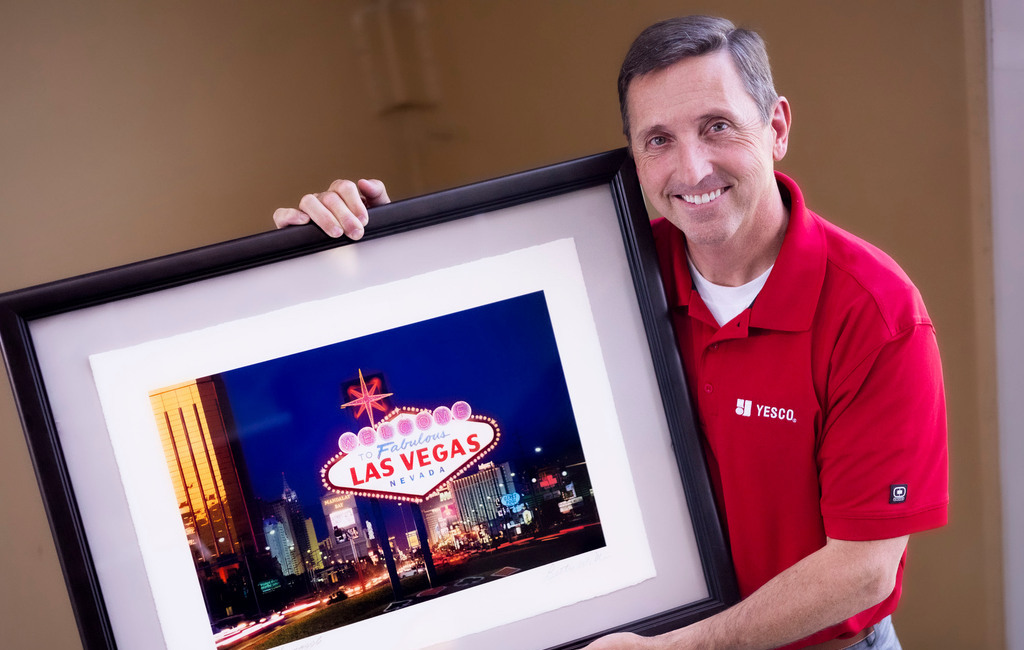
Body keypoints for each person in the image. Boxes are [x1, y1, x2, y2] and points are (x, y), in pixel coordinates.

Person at [273, 15, 948, 650]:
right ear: (635, 155)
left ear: (776, 126)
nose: (691, 170)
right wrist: (366, 250)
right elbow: (469, 288)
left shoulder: (876, 314)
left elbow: (864, 572)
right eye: (659, 140)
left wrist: (688, 648)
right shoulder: (609, 264)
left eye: (717, 126)